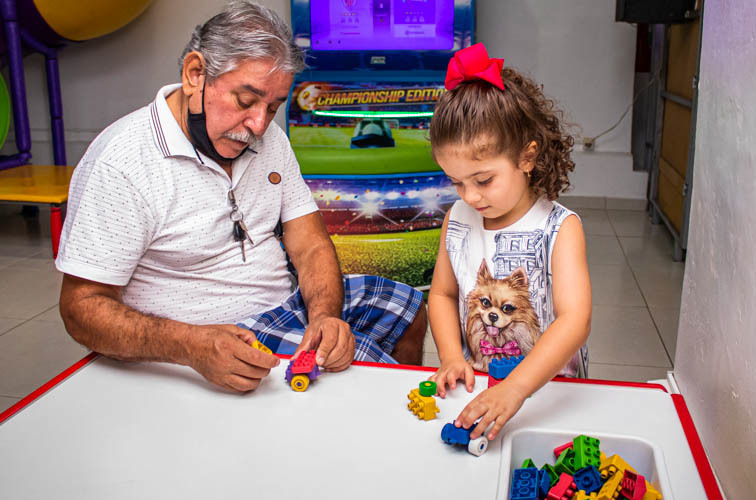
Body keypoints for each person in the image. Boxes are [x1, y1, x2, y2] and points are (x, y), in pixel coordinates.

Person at [56, 1, 427, 393]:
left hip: (285, 303)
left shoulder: (270, 140)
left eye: (273, 107)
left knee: (409, 308)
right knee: (370, 376)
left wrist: (323, 317)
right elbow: (81, 308)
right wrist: (190, 345)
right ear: (195, 74)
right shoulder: (121, 162)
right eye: (246, 101)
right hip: (211, 333)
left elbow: (309, 243)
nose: (259, 125)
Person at [426, 43, 591, 441]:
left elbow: (575, 319)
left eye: (483, 180)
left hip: (548, 394)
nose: (470, 196)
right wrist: (451, 356)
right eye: (457, 182)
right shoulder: (457, 220)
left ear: (526, 158)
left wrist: (515, 388)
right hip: (479, 388)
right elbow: (443, 294)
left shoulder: (560, 228)